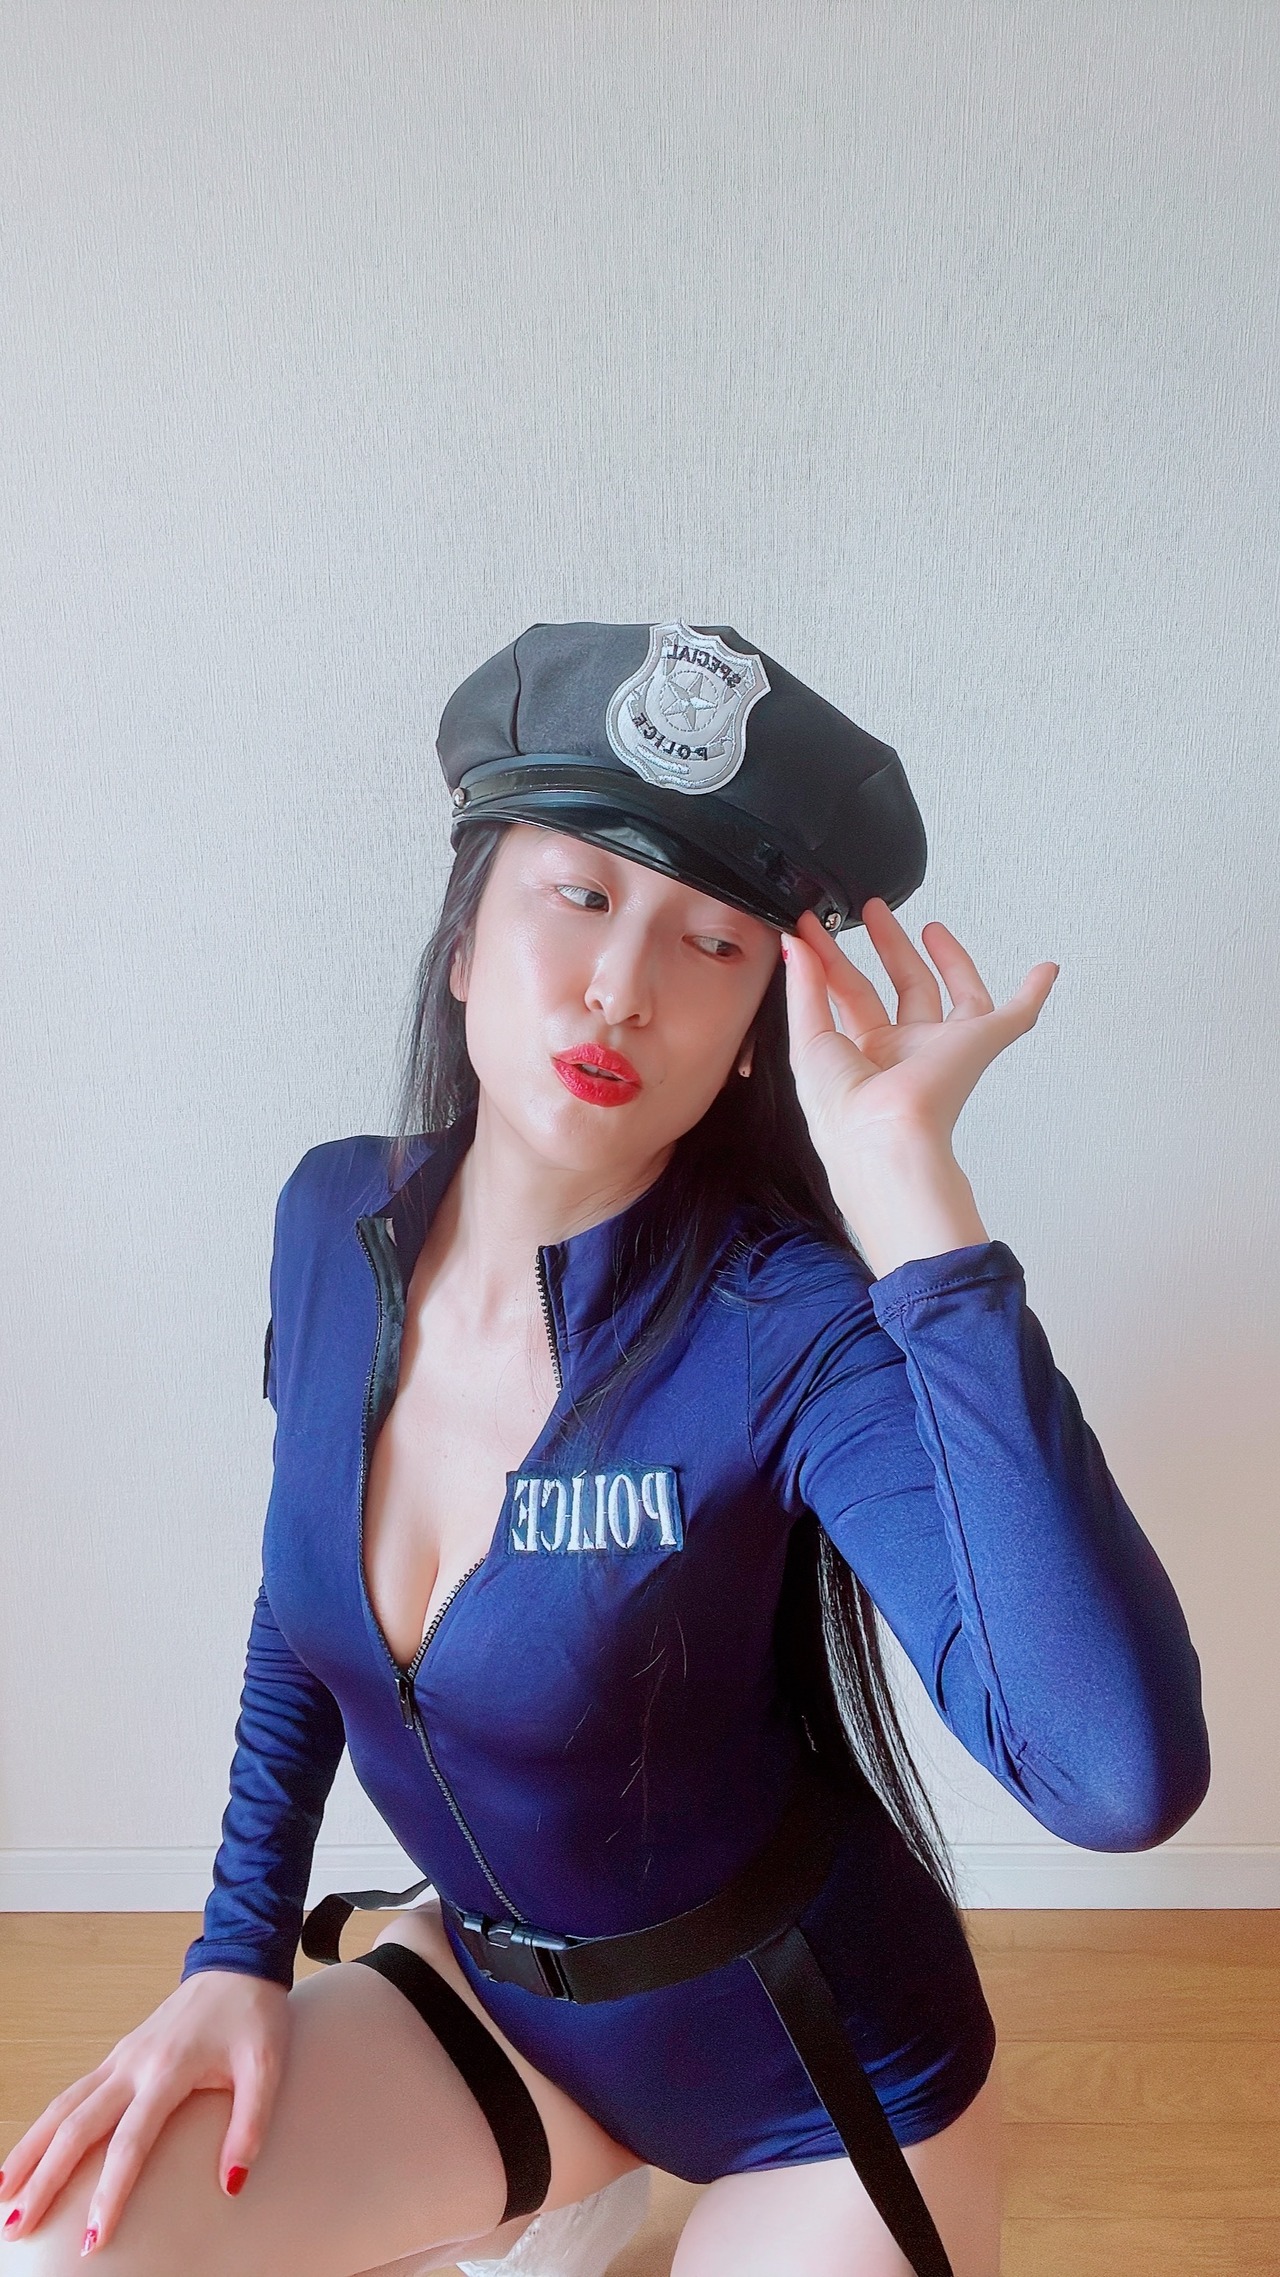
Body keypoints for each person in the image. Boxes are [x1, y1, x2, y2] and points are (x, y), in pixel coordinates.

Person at [0, 621, 1210, 2277]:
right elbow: (306, 1599)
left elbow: (1116, 1776)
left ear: (756, 1026)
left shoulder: (790, 1324)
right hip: (499, 2014)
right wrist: (234, 1951)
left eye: (710, 942)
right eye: (576, 894)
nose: (622, 987)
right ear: (462, 945)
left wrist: (917, 1212)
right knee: (55, 2249)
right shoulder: (331, 1217)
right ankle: (561, 2187)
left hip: (818, 2077)